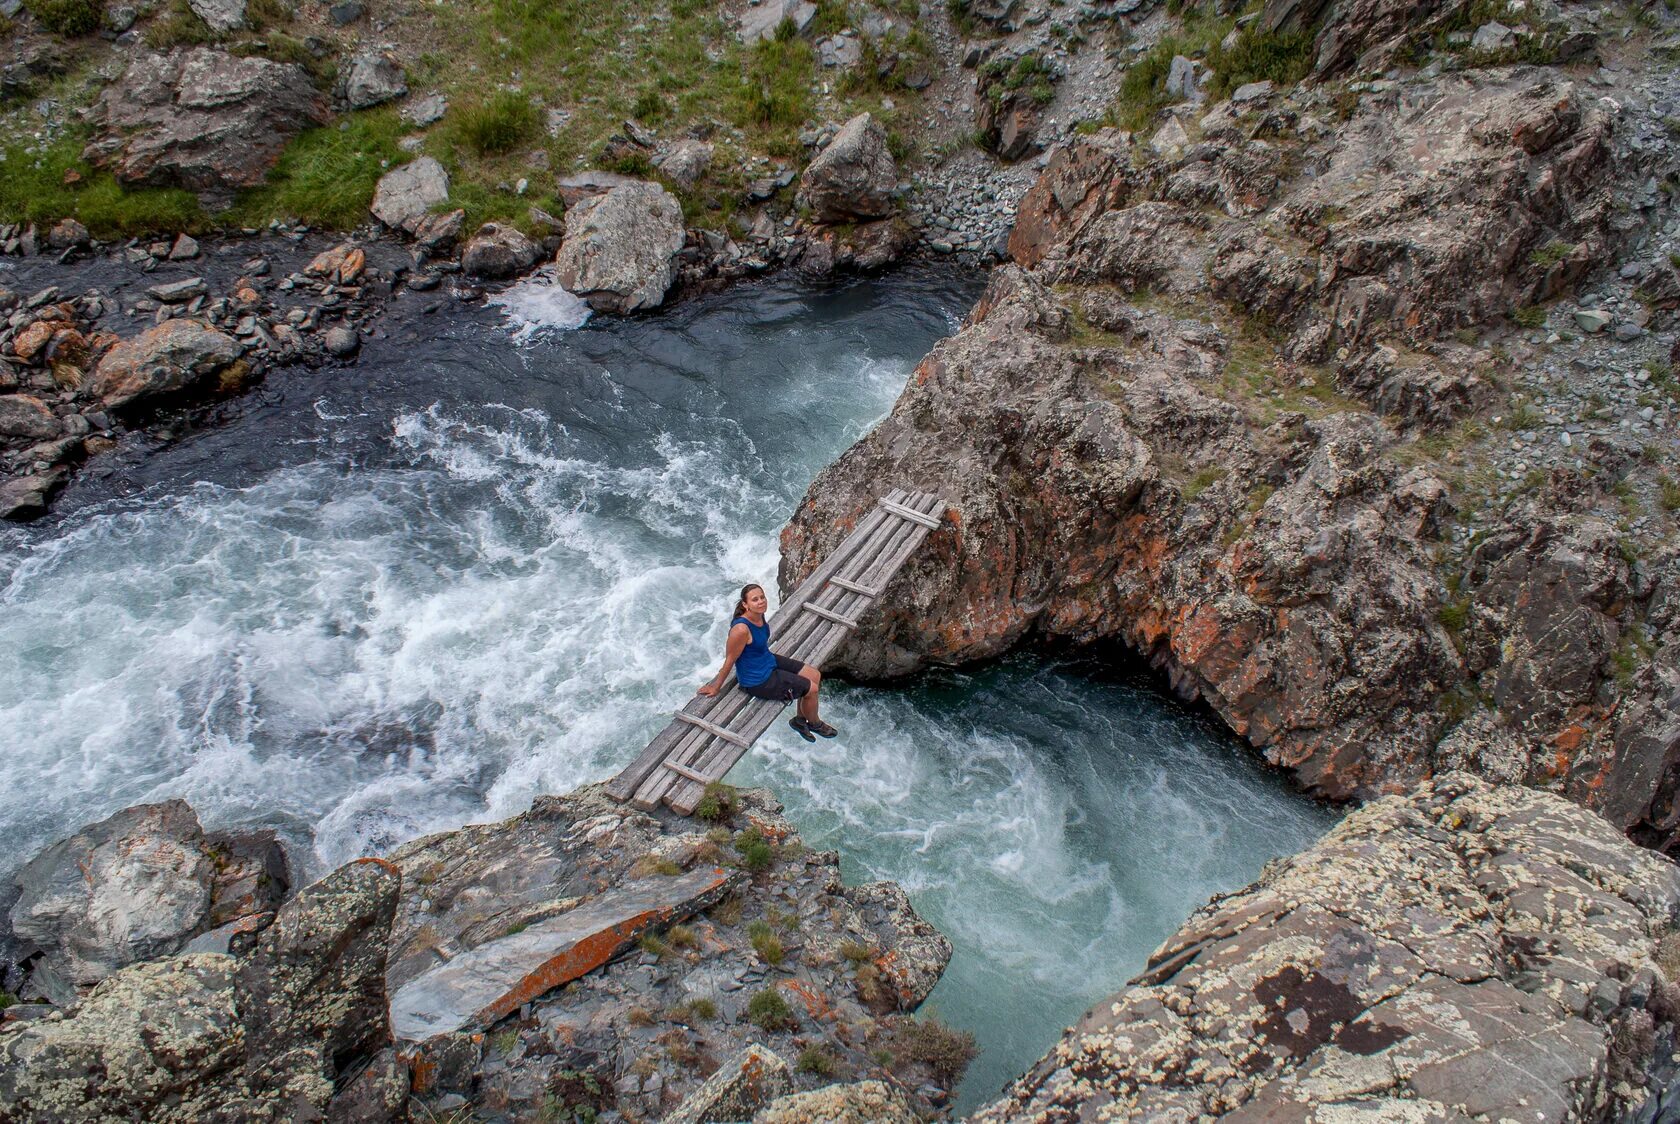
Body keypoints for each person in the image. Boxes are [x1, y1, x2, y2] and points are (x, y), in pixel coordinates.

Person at [699, 583, 837, 741]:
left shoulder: (759, 615)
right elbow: (730, 660)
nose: (761, 602)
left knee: (814, 675)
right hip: (758, 680)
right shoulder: (741, 630)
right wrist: (715, 687)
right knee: (811, 690)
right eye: (755, 599)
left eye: (762, 597)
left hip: (767, 660)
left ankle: (800, 720)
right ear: (745, 605)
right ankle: (815, 723)